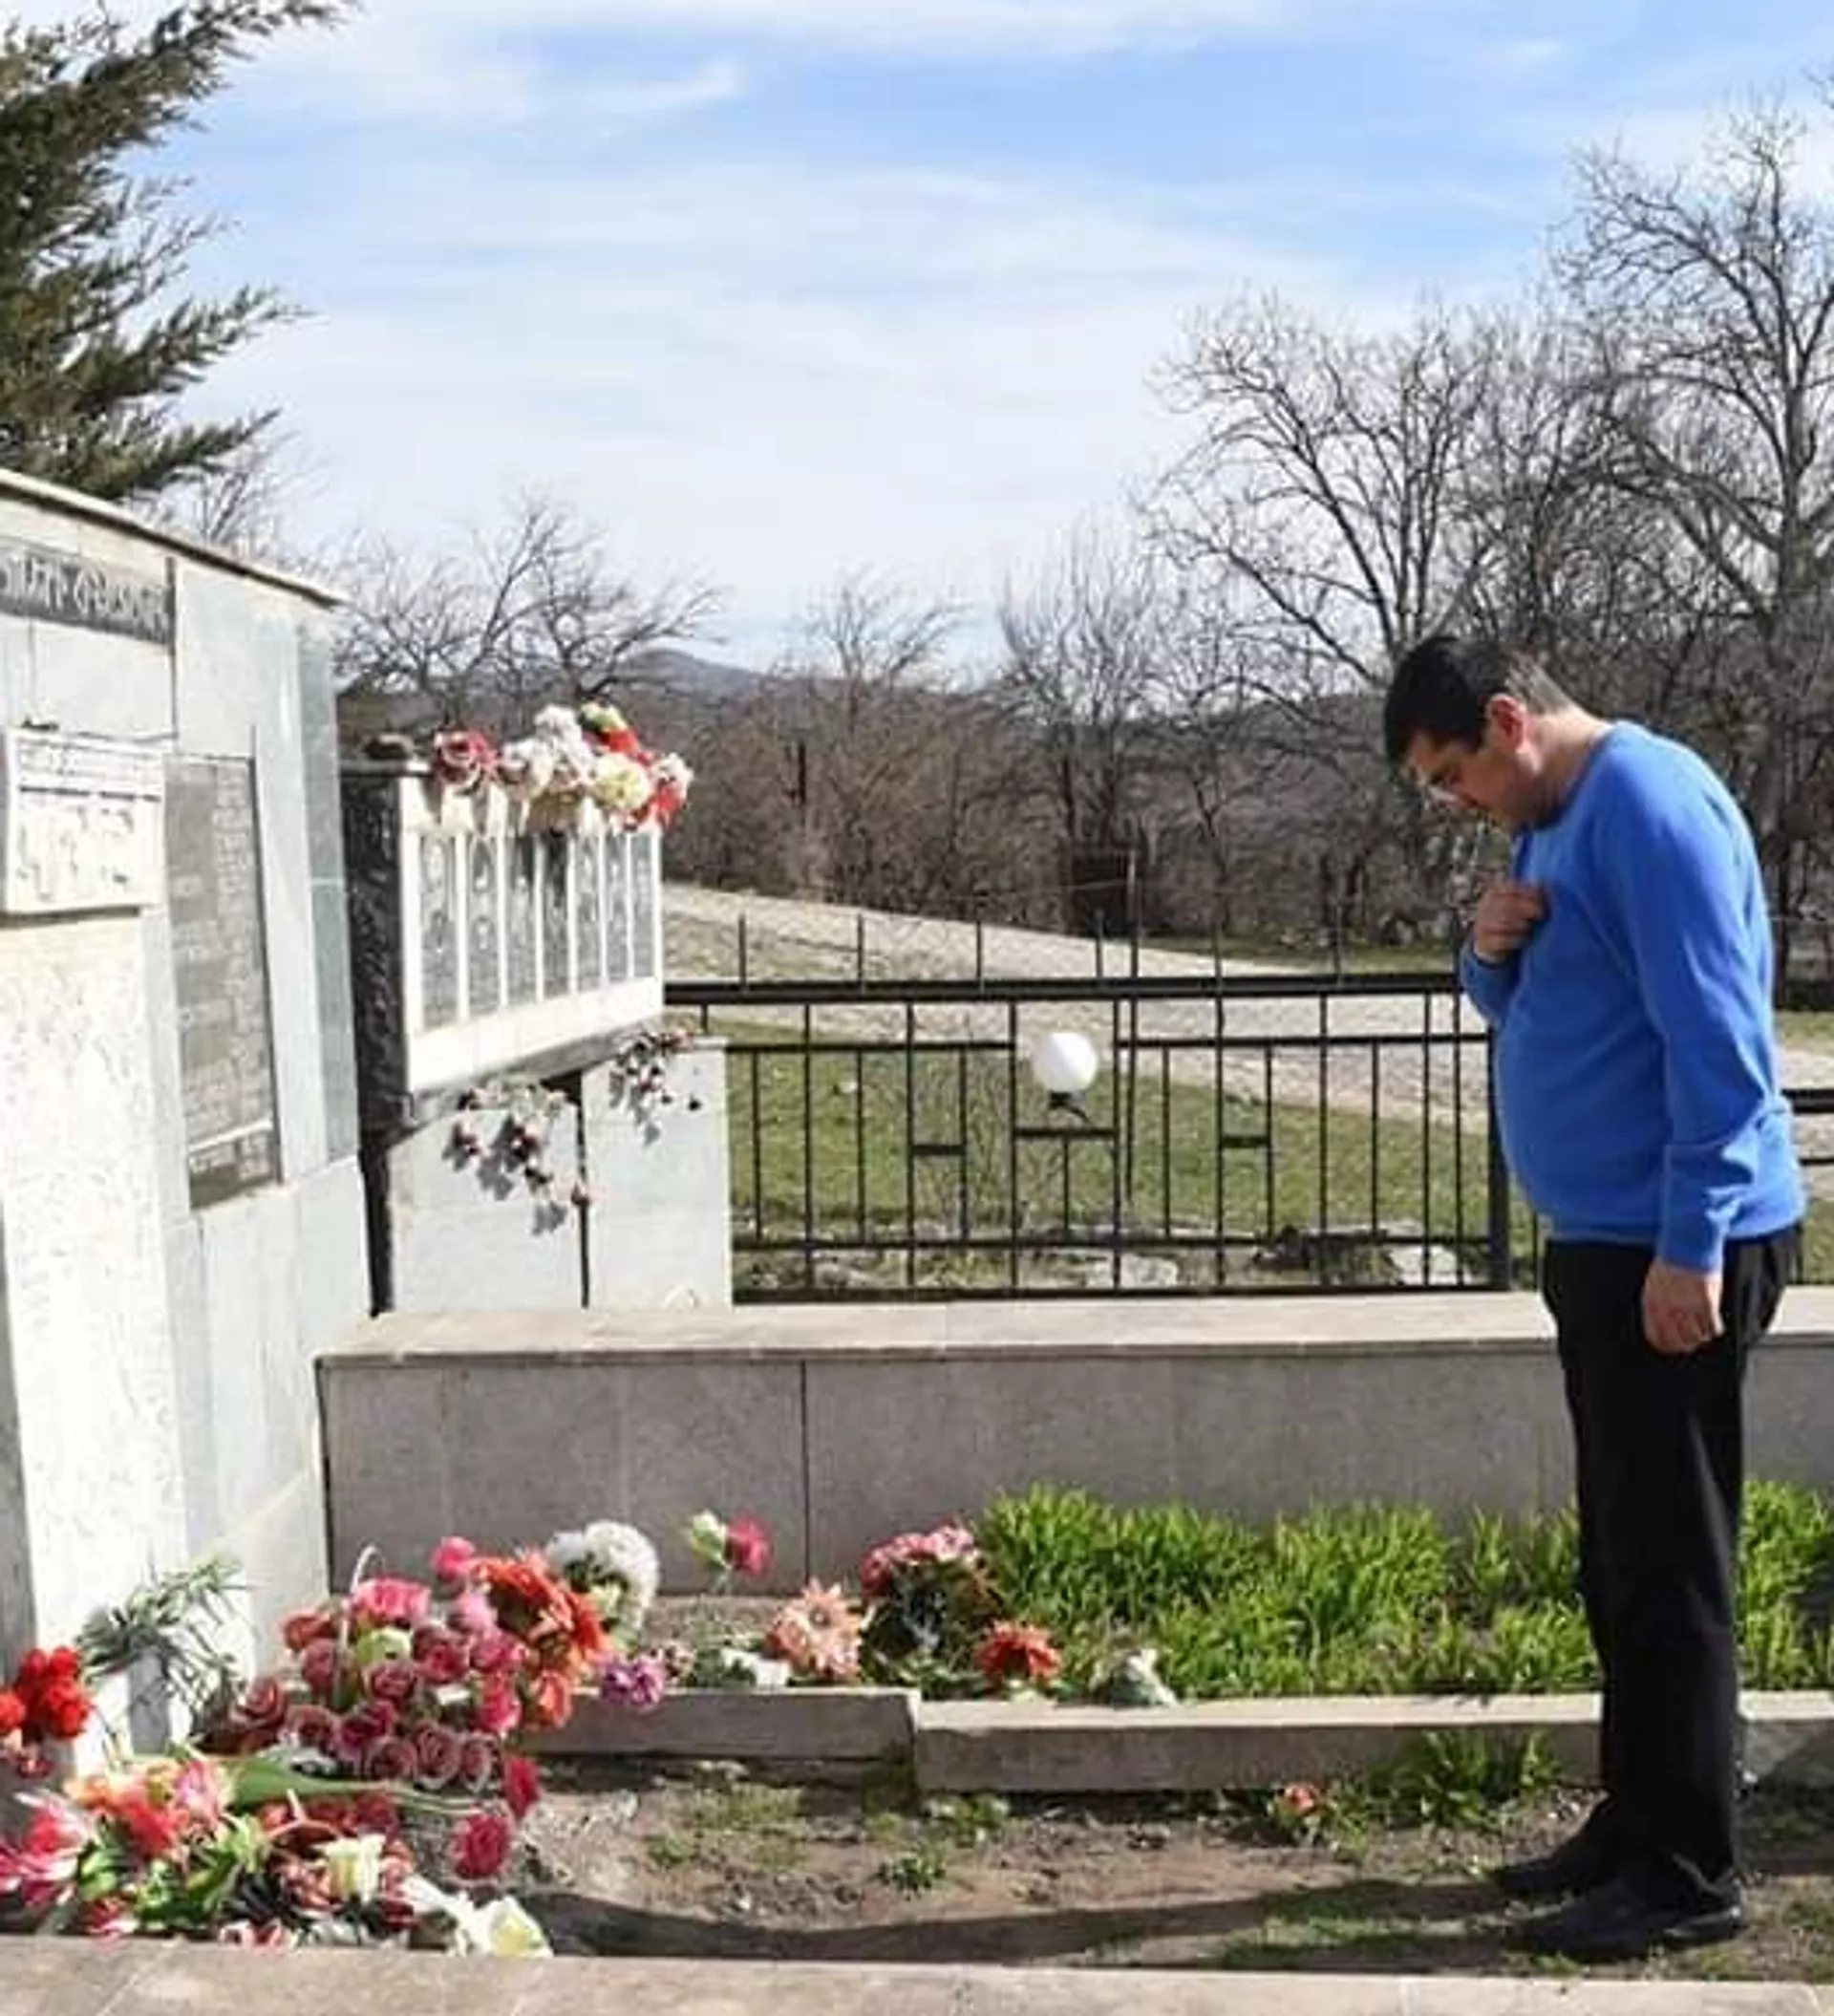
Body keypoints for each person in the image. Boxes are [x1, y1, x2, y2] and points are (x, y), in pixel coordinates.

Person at [1382, 633, 1803, 1963]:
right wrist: (1483, 952)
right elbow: (1536, 996)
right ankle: (1634, 1827)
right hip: (1606, 1240)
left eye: (1455, 774)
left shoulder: (1648, 809)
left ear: (1510, 720)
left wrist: (1692, 1244)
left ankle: (1687, 1875)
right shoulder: (1547, 821)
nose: (1459, 802)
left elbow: (1722, 1048)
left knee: (1672, 1562)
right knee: (1620, 1555)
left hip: (1674, 1247)